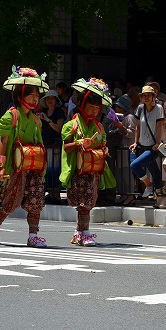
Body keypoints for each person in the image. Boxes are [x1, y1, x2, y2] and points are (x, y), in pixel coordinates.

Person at [0, 66, 49, 247]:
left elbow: (39, 143)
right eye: (31, 95)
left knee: (36, 199)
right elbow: (4, 143)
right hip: (15, 164)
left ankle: (33, 235)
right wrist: (0, 165)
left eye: (37, 96)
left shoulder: (36, 120)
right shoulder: (10, 116)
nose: (35, 99)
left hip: (33, 165)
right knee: (11, 199)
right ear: (20, 96)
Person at [60, 78, 116, 247]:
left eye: (96, 108)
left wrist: (105, 150)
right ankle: (83, 232)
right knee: (83, 202)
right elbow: (67, 147)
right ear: (82, 106)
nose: (93, 111)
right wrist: (78, 143)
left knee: (89, 202)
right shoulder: (72, 125)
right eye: (90, 107)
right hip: (78, 171)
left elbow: (103, 145)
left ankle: (80, 232)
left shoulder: (99, 127)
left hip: (93, 171)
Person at [130, 86, 164, 204]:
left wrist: (158, 143)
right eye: (144, 95)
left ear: (153, 96)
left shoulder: (159, 108)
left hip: (152, 147)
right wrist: (135, 142)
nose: (146, 97)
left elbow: (159, 126)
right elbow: (137, 127)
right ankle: (159, 197)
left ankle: (149, 186)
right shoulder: (140, 108)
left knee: (134, 166)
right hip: (142, 145)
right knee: (155, 172)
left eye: (149, 95)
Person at [38, 89, 65, 204]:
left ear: (56, 100)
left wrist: (47, 120)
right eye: (48, 98)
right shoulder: (43, 111)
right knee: (46, 169)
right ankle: (49, 192)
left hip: (55, 144)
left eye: (52, 98)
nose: (50, 101)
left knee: (55, 168)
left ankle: (56, 193)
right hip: (45, 143)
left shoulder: (59, 112)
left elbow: (59, 128)